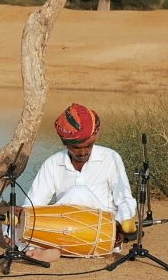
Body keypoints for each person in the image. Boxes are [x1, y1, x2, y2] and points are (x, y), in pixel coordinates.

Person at [22, 103, 138, 262]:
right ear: (65, 143)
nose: (83, 152)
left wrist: (120, 224)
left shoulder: (110, 158)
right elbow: (32, 204)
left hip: (104, 232)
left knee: (79, 193)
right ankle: (52, 248)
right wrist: (18, 221)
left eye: (88, 145)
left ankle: (45, 248)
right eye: (76, 147)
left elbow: (125, 199)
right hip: (66, 230)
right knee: (14, 219)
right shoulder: (53, 163)